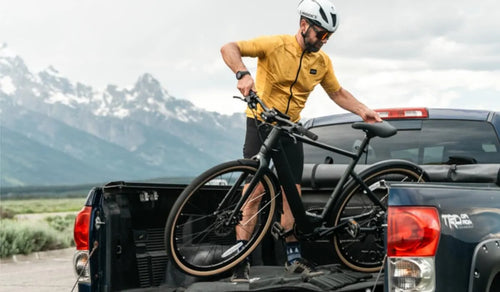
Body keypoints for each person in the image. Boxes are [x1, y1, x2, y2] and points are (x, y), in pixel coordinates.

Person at [220, 0, 382, 283]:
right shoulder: (274, 45)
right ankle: (240, 260)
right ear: (304, 25)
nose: (324, 40)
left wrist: (362, 109)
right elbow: (229, 48)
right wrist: (242, 73)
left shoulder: (322, 62)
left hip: (290, 130)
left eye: (328, 37)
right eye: (320, 34)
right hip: (260, 123)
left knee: (292, 196)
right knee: (254, 192)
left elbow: (337, 92)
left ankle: (293, 257)